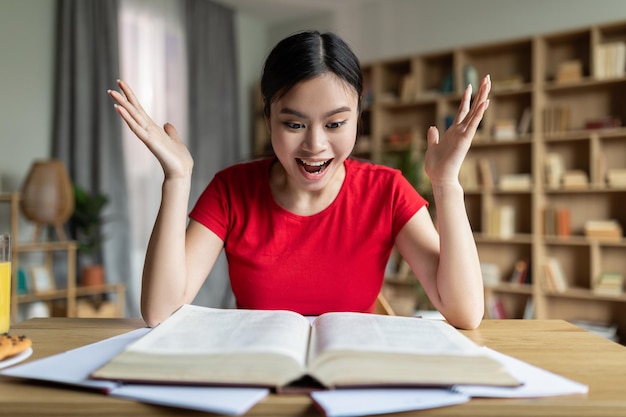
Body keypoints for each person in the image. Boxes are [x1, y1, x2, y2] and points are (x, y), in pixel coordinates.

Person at [109, 30, 490, 330]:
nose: (315, 145)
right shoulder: (231, 191)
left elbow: (465, 312)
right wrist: (176, 179)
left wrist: (446, 184)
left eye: (336, 123)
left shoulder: (386, 191)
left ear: (359, 117)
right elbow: (160, 311)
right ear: (268, 119)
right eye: (293, 124)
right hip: (257, 379)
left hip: (350, 378)